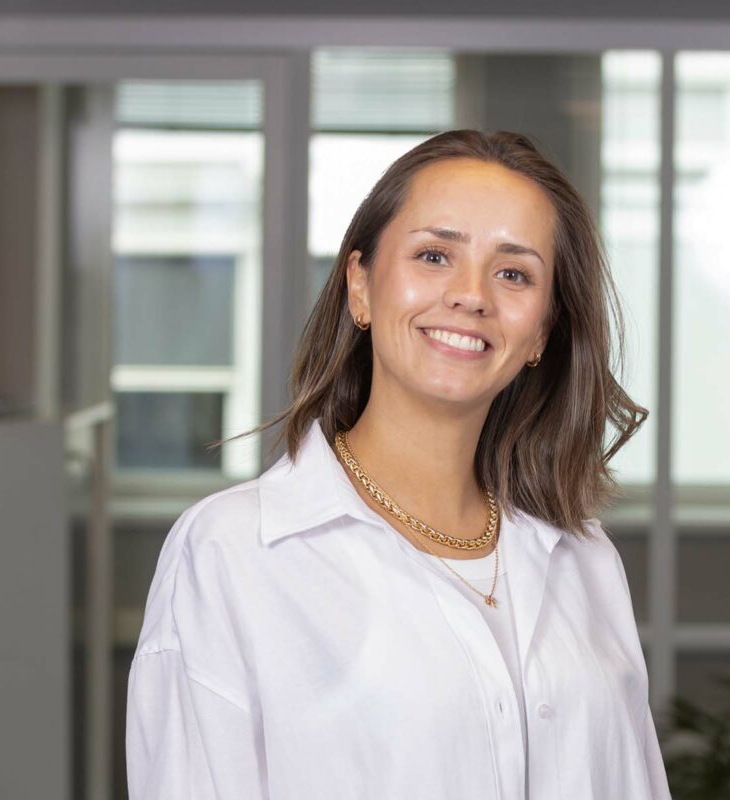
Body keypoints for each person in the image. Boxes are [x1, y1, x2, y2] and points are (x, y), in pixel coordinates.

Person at [125, 129, 672, 799]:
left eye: (513, 273)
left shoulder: (584, 559)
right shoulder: (233, 555)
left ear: (542, 332)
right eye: (435, 255)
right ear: (360, 286)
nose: (471, 295)